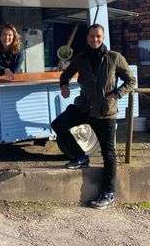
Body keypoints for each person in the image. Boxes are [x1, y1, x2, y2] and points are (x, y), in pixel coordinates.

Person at [51, 24, 136, 209]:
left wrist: (116, 95)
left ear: (102, 37)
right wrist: (64, 86)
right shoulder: (81, 57)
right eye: (91, 36)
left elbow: (131, 80)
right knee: (58, 124)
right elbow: (65, 75)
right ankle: (81, 157)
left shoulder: (114, 57)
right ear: (87, 37)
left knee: (109, 153)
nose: (94, 39)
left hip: (105, 111)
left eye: (98, 36)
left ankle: (108, 193)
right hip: (84, 106)